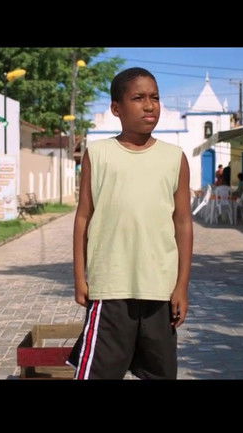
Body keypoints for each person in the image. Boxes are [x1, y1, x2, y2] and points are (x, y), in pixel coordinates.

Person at [67, 67, 192, 380]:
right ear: (116, 108)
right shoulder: (98, 154)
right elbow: (83, 217)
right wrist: (80, 277)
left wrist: (181, 286)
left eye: (155, 97)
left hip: (160, 288)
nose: (149, 106)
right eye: (138, 98)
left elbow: (183, 224)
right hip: (110, 286)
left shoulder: (174, 158)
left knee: (160, 373)